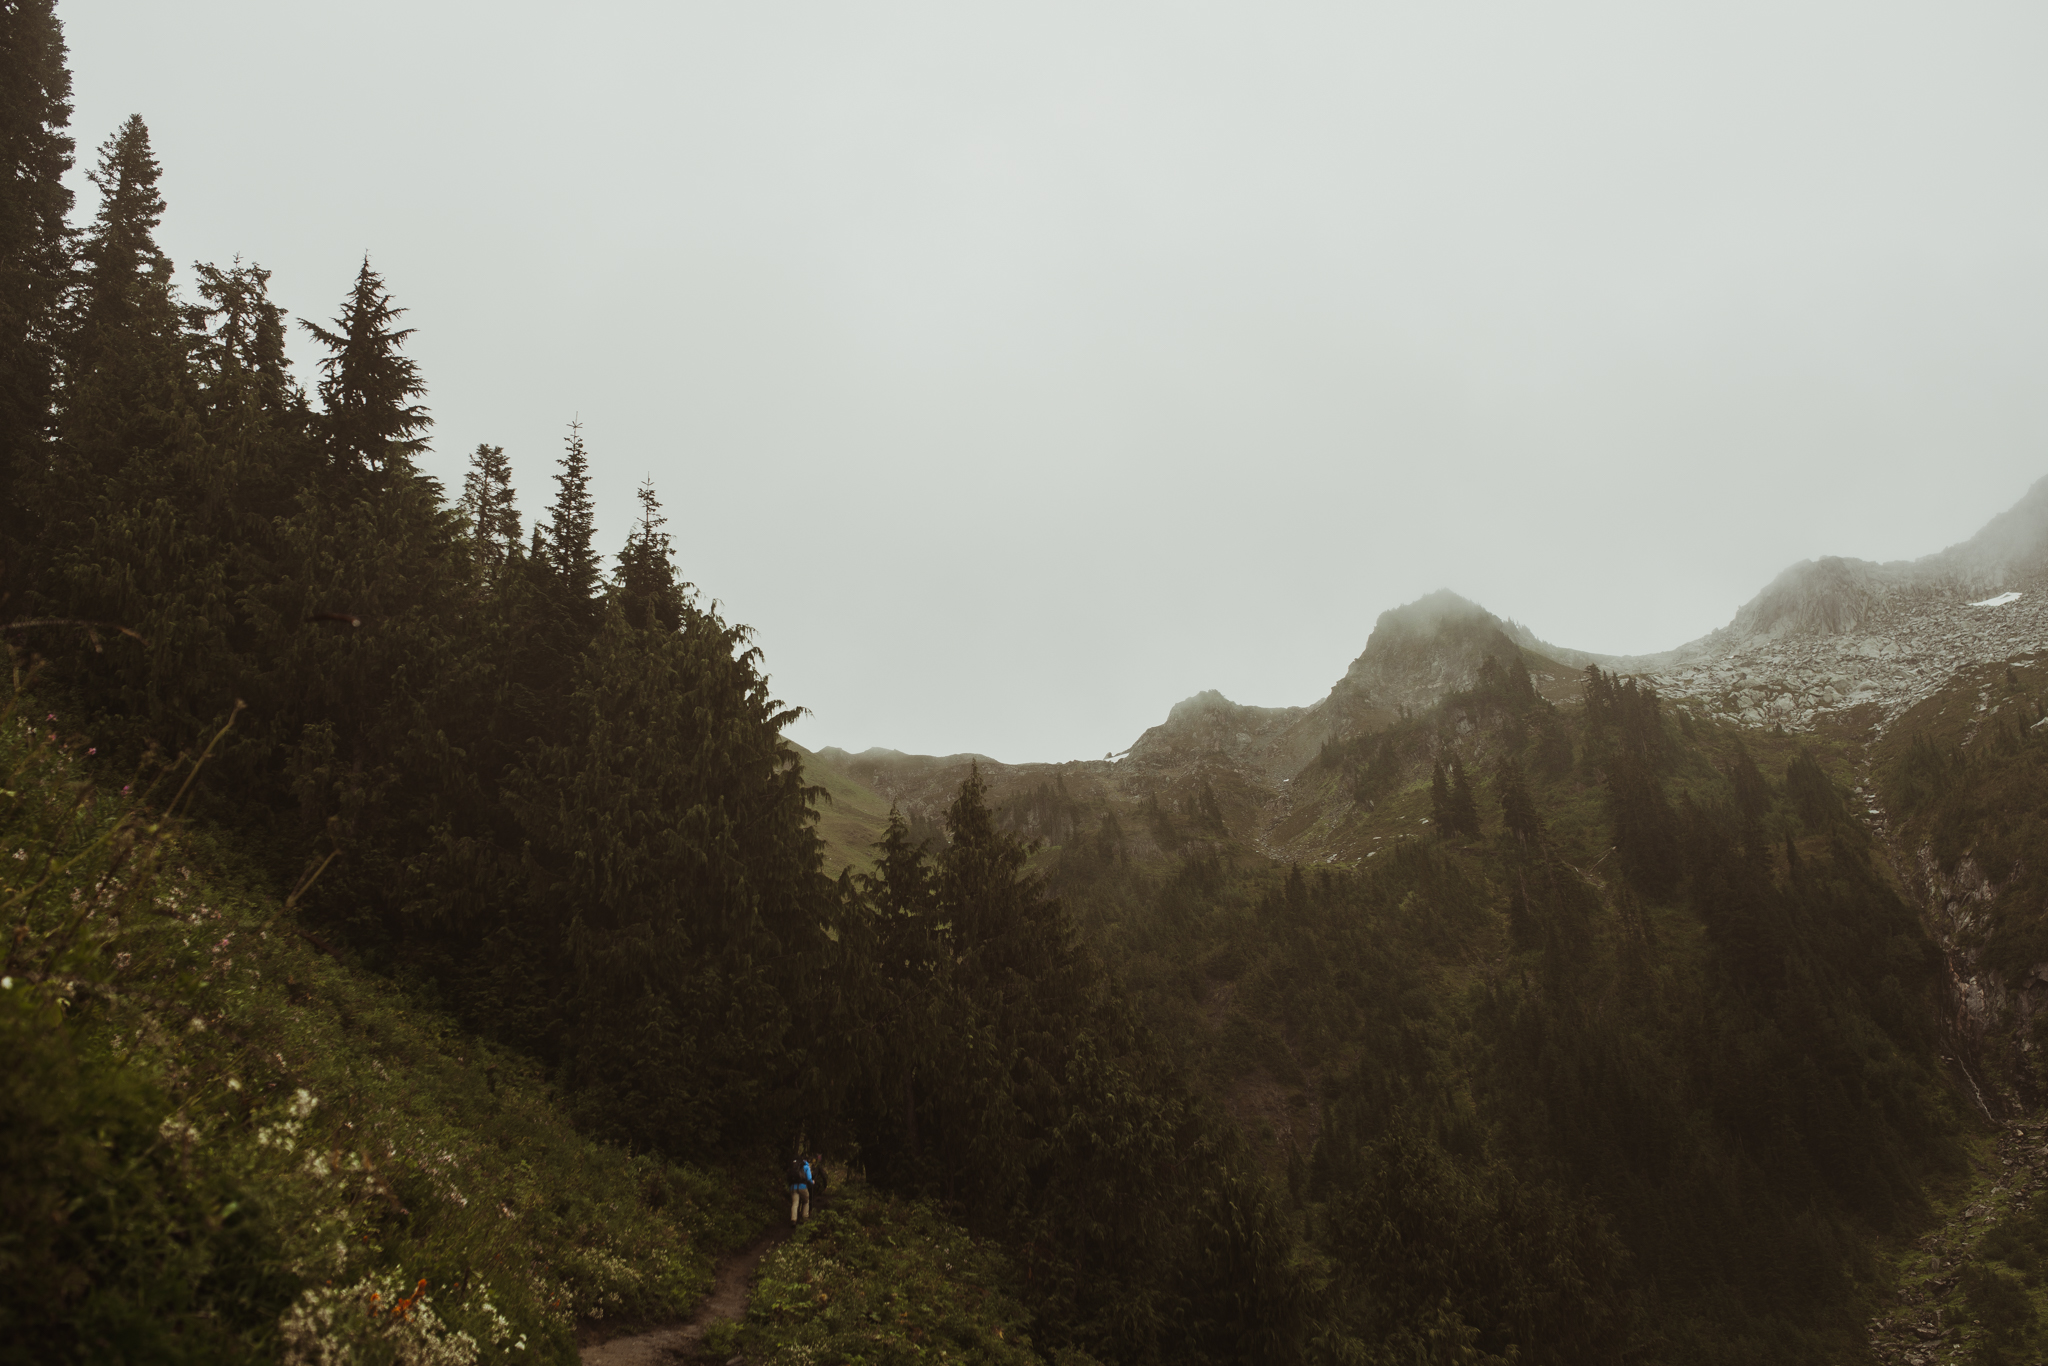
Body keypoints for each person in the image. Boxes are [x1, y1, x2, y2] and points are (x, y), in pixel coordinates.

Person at [786, 1154, 810, 1225]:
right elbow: (808, 1178)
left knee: (795, 1203)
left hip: (793, 1187)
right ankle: (805, 1217)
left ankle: (793, 1219)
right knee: (806, 1201)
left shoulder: (791, 1166)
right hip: (802, 1187)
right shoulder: (803, 1165)